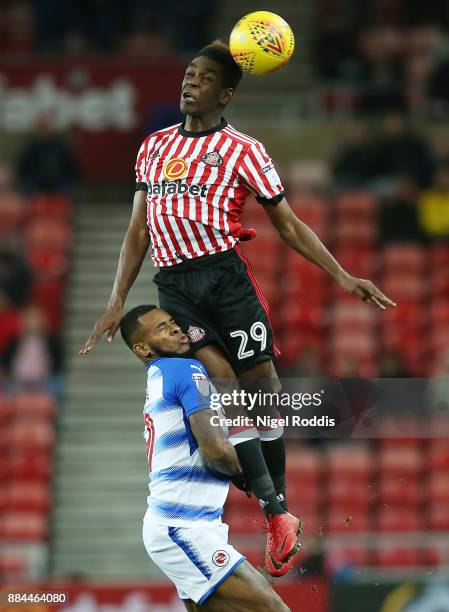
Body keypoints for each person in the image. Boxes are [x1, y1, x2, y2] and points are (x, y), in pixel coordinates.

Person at [80, 40, 395, 574]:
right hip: (176, 285)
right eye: (188, 74)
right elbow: (138, 229)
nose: (190, 83)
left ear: (225, 94)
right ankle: (275, 513)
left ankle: (281, 510)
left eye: (203, 78)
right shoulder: (152, 146)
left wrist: (342, 274)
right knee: (221, 382)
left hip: (227, 279)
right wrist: (115, 302)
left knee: (263, 394)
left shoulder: (245, 150)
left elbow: (289, 224)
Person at [120, 304, 290, 612]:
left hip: (188, 524)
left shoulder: (163, 376)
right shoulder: (186, 369)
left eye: (173, 322)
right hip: (183, 526)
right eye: (161, 328)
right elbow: (217, 454)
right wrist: (257, 475)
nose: (175, 328)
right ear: (142, 348)